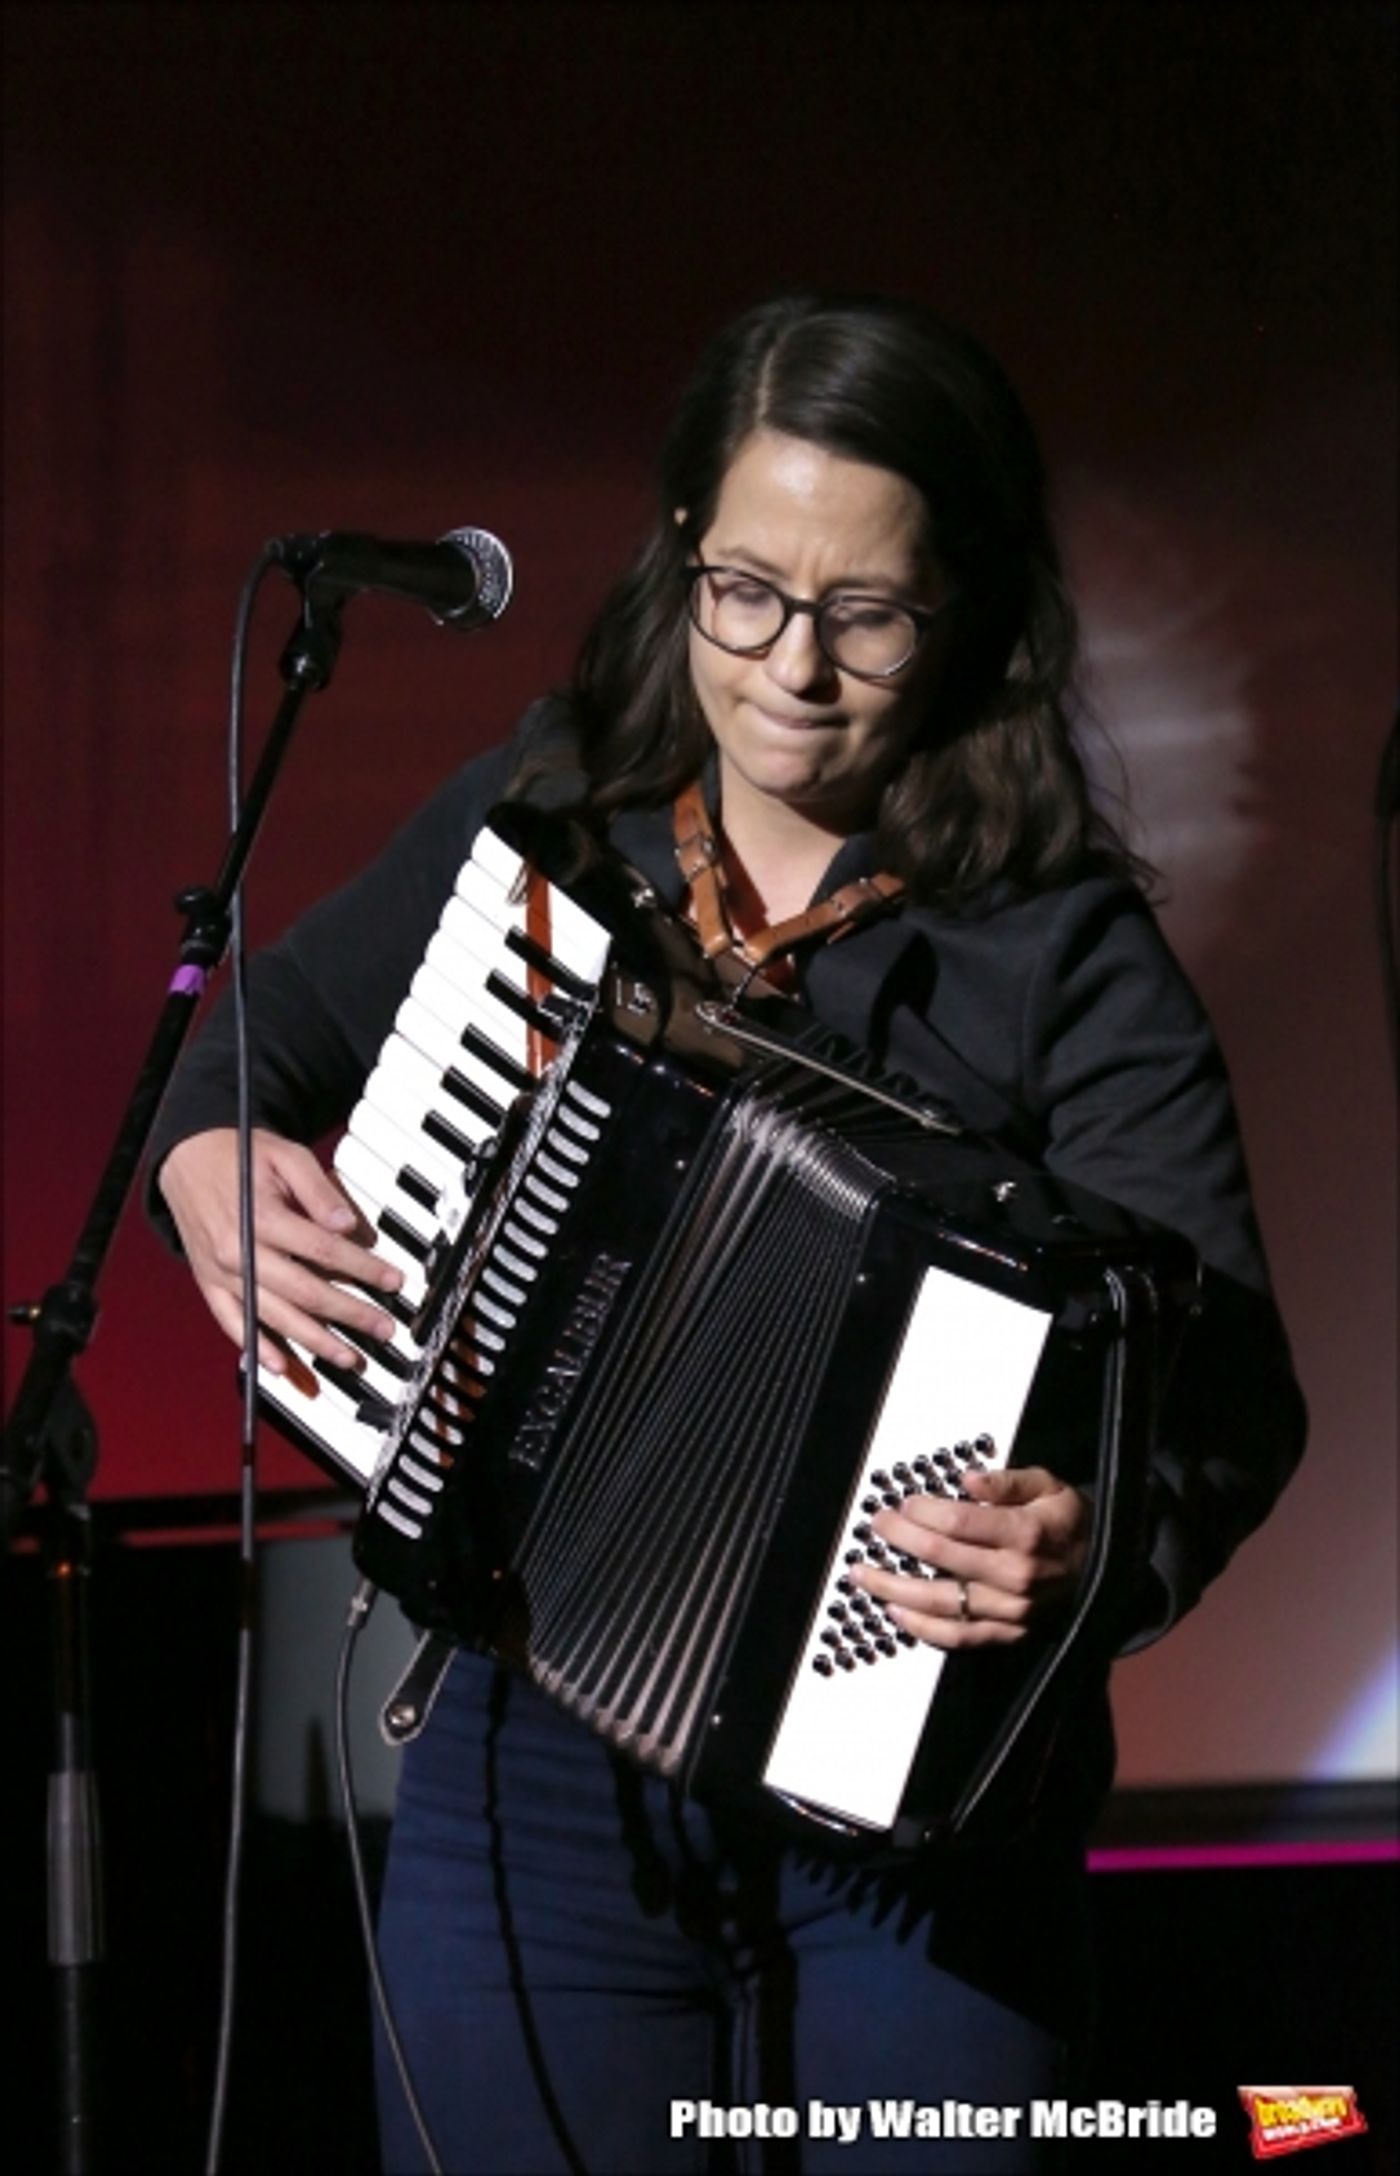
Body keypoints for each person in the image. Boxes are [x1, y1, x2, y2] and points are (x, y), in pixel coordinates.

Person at [150, 293, 1305, 2174]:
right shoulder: (552, 813)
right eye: (746, 592)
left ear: (967, 611)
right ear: (682, 549)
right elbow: (253, 1040)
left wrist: (1090, 1539)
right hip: (533, 1764)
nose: (793, 670)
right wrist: (209, 1146)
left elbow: (1229, 1396)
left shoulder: (1061, 953)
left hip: (921, 1840)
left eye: (868, 615)